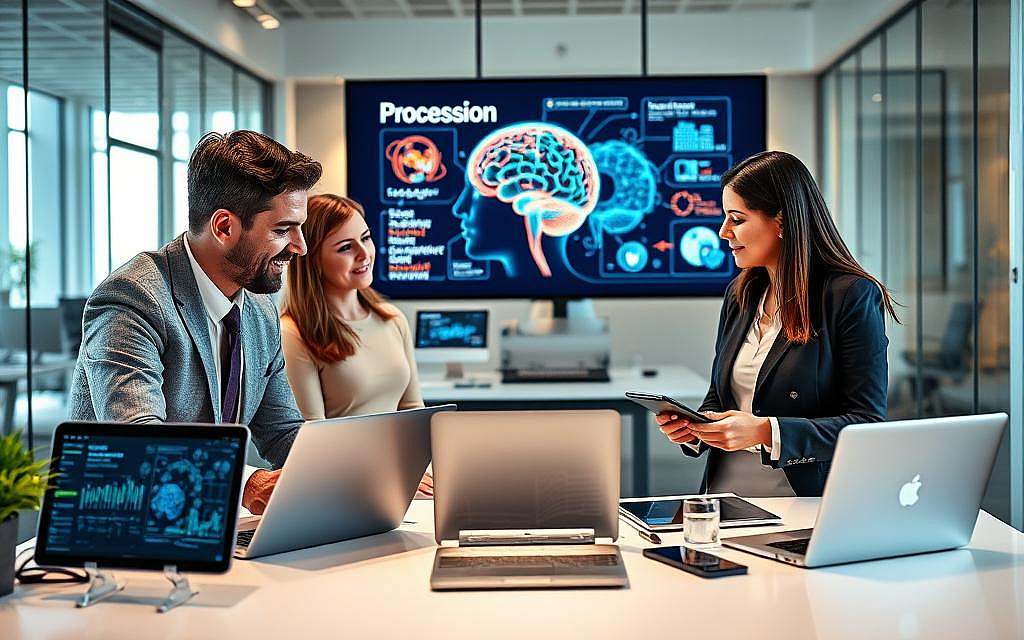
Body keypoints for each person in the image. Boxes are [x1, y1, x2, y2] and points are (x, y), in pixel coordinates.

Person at [68, 130, 323, 514]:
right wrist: (246, 483)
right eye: (283, 229)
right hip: (124, 526)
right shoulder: (133, 298)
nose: (300, 246)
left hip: (206, 521)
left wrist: (360, 471)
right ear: (224, 227)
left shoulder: (258, 305)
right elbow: (137, 442)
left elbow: (284, 433)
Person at [656, 151, 898, 497]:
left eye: (736, 219)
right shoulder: (741, 295)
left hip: (802, 504)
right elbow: (722, 394)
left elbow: (866, 424)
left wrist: (766, 432)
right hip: (724, 500)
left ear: (781, 222)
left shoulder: (850, 296)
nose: (723, 232)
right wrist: (697, 428)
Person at [279, 194, 431, 495]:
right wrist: (393, 476)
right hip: (344, 488)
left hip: (400, 482)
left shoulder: (392, 319)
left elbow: (412, 410)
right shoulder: (293, 334)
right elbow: (313, 441)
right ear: (312, 261)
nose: (364, 254)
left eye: (366, 238)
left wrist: (424, 471)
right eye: (346, 247)